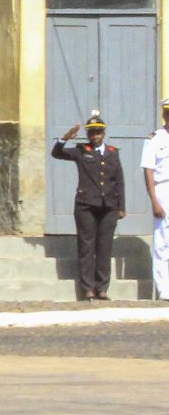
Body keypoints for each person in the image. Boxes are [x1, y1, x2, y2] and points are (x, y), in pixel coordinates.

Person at [52, 115, 126, 301]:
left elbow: (119, 181)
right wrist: (65, 137)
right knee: (86, 247)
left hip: (109, 206)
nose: (95, 135)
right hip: (86, 205)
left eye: (98, 132)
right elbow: (57, 153)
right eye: (92, 132)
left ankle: (102, 288)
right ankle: (88, 289)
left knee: (104, 248)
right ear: (88, 134)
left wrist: (121, 207)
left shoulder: (112, 152)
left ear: (104, 133)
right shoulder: (80, 150)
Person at [145, 100, 169, 298]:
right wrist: (154, 200)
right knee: (162, 241)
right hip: (163, 188)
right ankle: (164, 289)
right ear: (164, 115)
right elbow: (148, 170)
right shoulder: (155, 139)